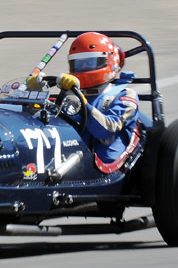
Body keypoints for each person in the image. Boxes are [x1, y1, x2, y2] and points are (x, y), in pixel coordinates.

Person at [59, 32, 142, 173]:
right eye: (78, 64)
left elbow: (106, 130)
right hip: (70, 161)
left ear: (110, 61)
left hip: (105, 169)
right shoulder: (70, 95)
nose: (84, 67)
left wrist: (81, 104)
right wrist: (34, 97)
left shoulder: (125, 95)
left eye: (89, 62)